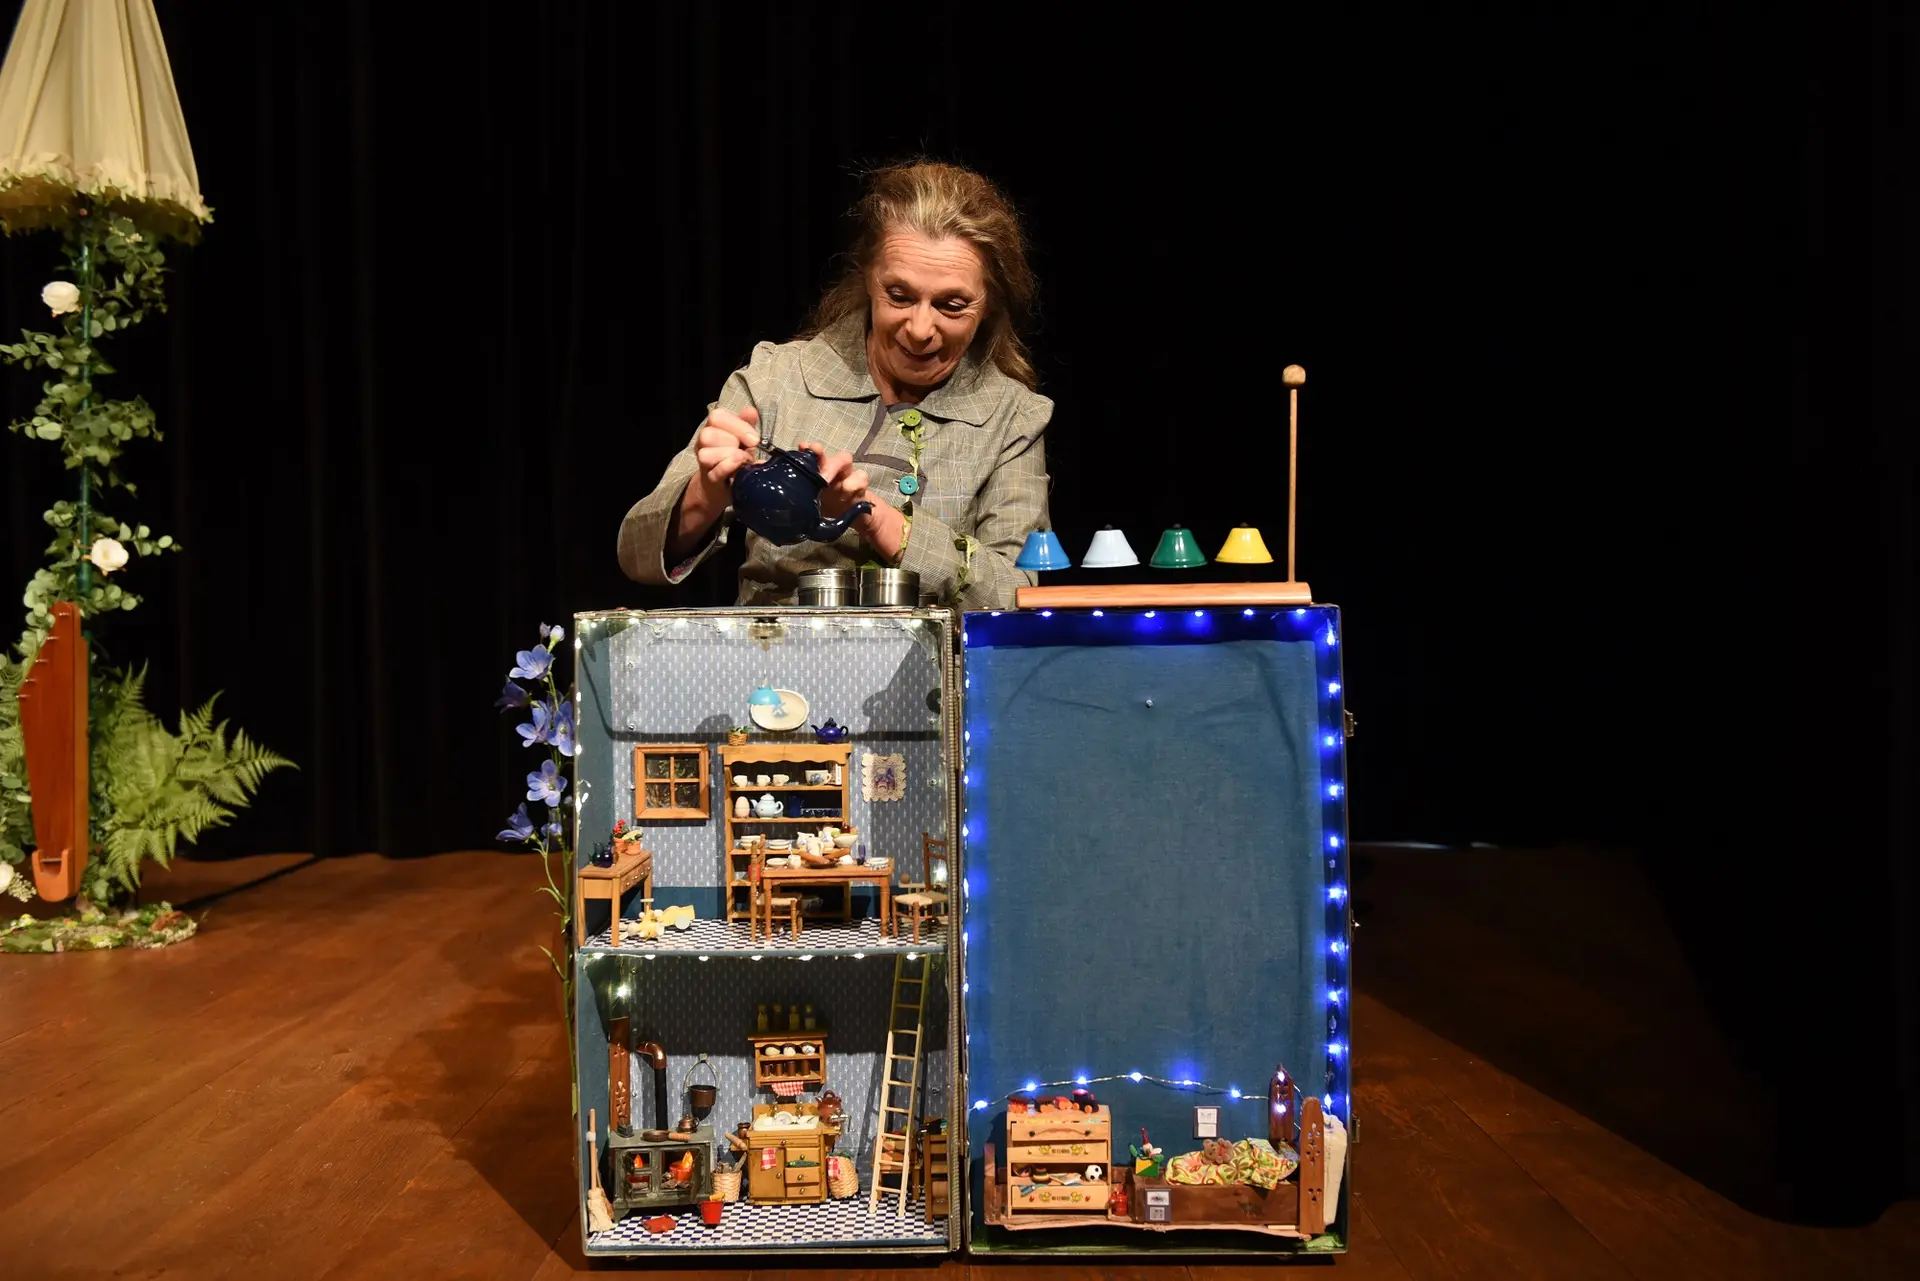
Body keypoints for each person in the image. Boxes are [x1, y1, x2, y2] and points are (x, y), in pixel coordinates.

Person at [617, 162, 1051, 609]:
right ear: (868, 279)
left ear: (989, 304)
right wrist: (705, 493)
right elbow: (637, 555)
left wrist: (877, 518)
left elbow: (1017, 596)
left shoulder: (1012, 418)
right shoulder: (778, 379)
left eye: (952, 305)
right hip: (776, 652)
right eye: (899, 296)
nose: (921, 329)